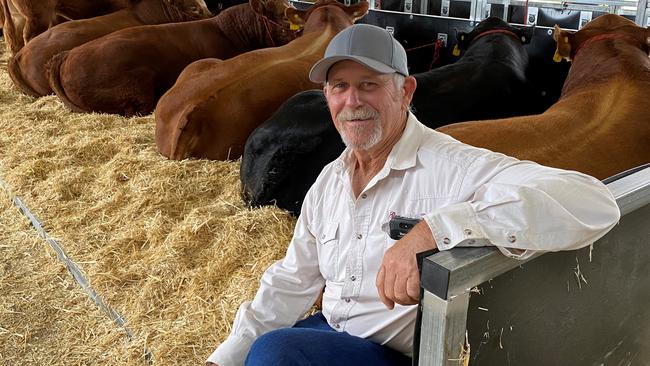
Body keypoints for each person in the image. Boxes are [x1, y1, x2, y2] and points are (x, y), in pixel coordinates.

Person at [206, 23, 620, 366]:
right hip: (330, 332)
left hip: (397, 354)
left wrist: (434, 230)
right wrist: (223, 359)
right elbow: (292, 280)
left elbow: (593, 202)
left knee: (276, 352)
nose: (352, 102)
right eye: (339, 87)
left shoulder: (451, 166)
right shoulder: (330, 180)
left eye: (368, 84)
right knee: (262, 347)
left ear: (405, 92)